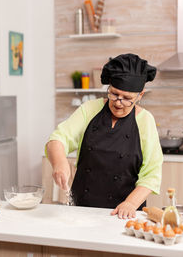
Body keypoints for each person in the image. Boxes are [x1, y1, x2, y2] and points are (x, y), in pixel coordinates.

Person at [45, 53, 163, 219]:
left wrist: (130, 204)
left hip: (124, 214)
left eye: (127, 98)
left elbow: (152, 174)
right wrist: (59, 163)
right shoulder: (89, 110)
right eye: (114, 94)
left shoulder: (145, 121)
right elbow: (57, 140)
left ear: (140, 95)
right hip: (82, 209)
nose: (118, 102)